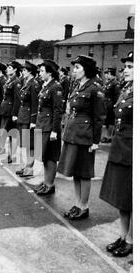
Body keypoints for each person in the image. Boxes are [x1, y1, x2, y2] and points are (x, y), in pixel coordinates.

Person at [57, 55, 105, 219]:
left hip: (85, 136)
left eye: (77, 67)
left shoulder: (95, 89)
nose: (74, 70)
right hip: (73, 134)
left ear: (86, 70)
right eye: (74, 67)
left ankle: (84, 207)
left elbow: (98, 118)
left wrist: (96, 141)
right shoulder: (78, 86)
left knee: (84, 173)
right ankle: (78, 204)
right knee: (76, 172)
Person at [99, 52, 133, 257]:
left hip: (131, 151)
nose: (125, 70)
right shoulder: (127, 90)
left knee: (132, 198)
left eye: (131, 66)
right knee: (122, 198)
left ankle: (131, 239)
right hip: (121, 148)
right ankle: (123, 235)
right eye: (125, 66)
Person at [30, 60, 63, 194]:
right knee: (44, 156)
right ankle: (46, 182)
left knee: (50, 157)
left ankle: (50, 184)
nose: (40, 73)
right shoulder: (46, 86)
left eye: (42, 71)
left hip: (50, 127)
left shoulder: (56, 87)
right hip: (43, 124)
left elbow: (57, 110)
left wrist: (55, 130)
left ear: (50, 72)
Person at [13, 61, 40, 177]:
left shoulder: (34, 84)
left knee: (30, 144)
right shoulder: (26, 82)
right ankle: (26, 165)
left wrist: (33, 121)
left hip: (29, 118)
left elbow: (35, 104)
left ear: (30, 72)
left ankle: (29, 167)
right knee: (25, 144)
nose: (22, 72)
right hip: (23, 116)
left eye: (24, 70)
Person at [0, 61, 22, 163]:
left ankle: (11, 155)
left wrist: (14, 114)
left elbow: (17, 99)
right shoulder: (9, 80)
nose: (8, 69)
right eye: (8, 67)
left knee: (11, 134)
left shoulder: (16, 82)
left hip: (10, 111)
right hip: (4, 110)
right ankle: (8, 153)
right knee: (5, 133)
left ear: (15, 69)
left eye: (10, 68)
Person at [100, 67, 120, 143]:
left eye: (107, 74)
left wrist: (115, 106)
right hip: (106, 106)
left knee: (110, 122)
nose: (106, 76)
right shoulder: (109, 82)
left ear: (111, 74)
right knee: (107, 122)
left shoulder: (115, 83)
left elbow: (116, 96)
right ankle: (106, 136)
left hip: (111, 106)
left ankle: (109, 137)